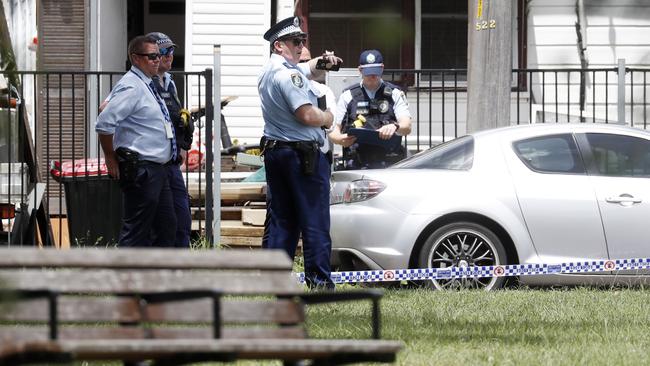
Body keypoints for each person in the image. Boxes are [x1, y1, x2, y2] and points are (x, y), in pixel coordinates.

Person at [258, 16, 340, 289]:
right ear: (279, 45)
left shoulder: (269, 71)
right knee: (314, 221)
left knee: (283, 220)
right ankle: (319, 283)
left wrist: (320, 62)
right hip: (301, 156)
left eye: (302, 41)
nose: (300, 46)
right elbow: (306, 114)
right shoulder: (288, 74)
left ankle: (275, 281)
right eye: (296, 42)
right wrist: (328, 118)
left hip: (276, 152)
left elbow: (305, 68)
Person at [95, 35, 177, 247]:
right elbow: (104, 122)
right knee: (137, 231)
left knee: (167, 227)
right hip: (142, 169)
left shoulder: (147, 83)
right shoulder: (132, 86)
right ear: (135, 58)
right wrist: (110, 158)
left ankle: (158, 277)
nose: (157, 60)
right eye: (151, 56)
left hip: (159, 168)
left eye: (158, 55)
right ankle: (123, 277)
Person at [146, 32, 193, 248]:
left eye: (170, 51)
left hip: (172, 162)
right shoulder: (142, 82)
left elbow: (177, 117)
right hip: (152, 163)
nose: (168, 56)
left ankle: (180, 270)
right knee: (161, 224)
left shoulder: (170, 82)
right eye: (163, 52)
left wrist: (183, 145)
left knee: (183, 220)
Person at [329, 49, 412, 170]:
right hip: (357, 162)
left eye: (376, 72)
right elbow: (333, 131)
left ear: (382, 68)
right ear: (360, 70)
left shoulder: (395, 93)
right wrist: (341, 139)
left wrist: (395, 126)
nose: (373, 76)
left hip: (389, 162)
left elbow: (407, 126)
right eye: (368, 72)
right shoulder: (348, 95)